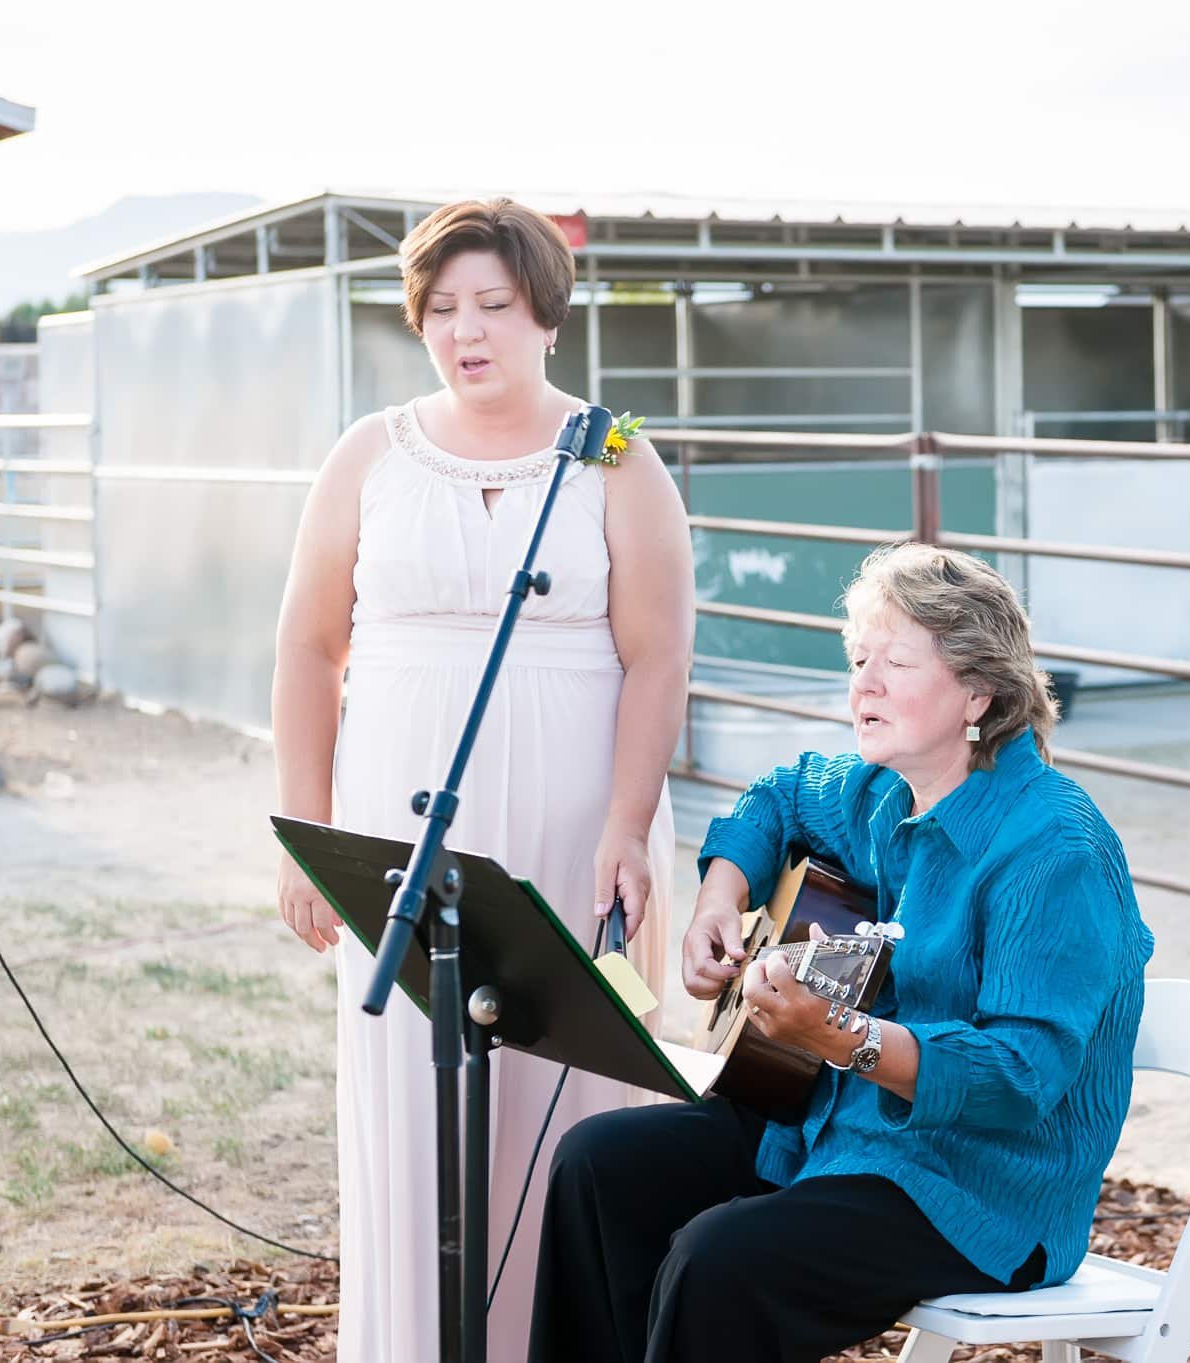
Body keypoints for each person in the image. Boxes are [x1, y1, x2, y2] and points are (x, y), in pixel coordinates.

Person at [529, 543, 1154, 1363]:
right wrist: (721, 897)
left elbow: (1018, 1076)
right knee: (597, 1165)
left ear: (980, 690)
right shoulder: (883, 788)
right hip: (841, 1130)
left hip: (978, 1186)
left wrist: (840, 1037)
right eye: (859, 658)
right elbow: (777, 795)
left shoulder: (1054, 850)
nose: (862, 684)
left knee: (720, 1259)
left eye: (895, 661)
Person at [269, 197, 694, 1362]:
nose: (468, 331)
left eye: (493, 306)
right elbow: (308, 647)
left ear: (546, 316)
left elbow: (657, 652)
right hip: (403, 840)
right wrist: (305, 835)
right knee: (418, 1106)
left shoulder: (614, 454)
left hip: (574, 838)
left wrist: (627, 818)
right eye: (443, 309)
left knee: (571, 1110)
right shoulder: (368, 453)